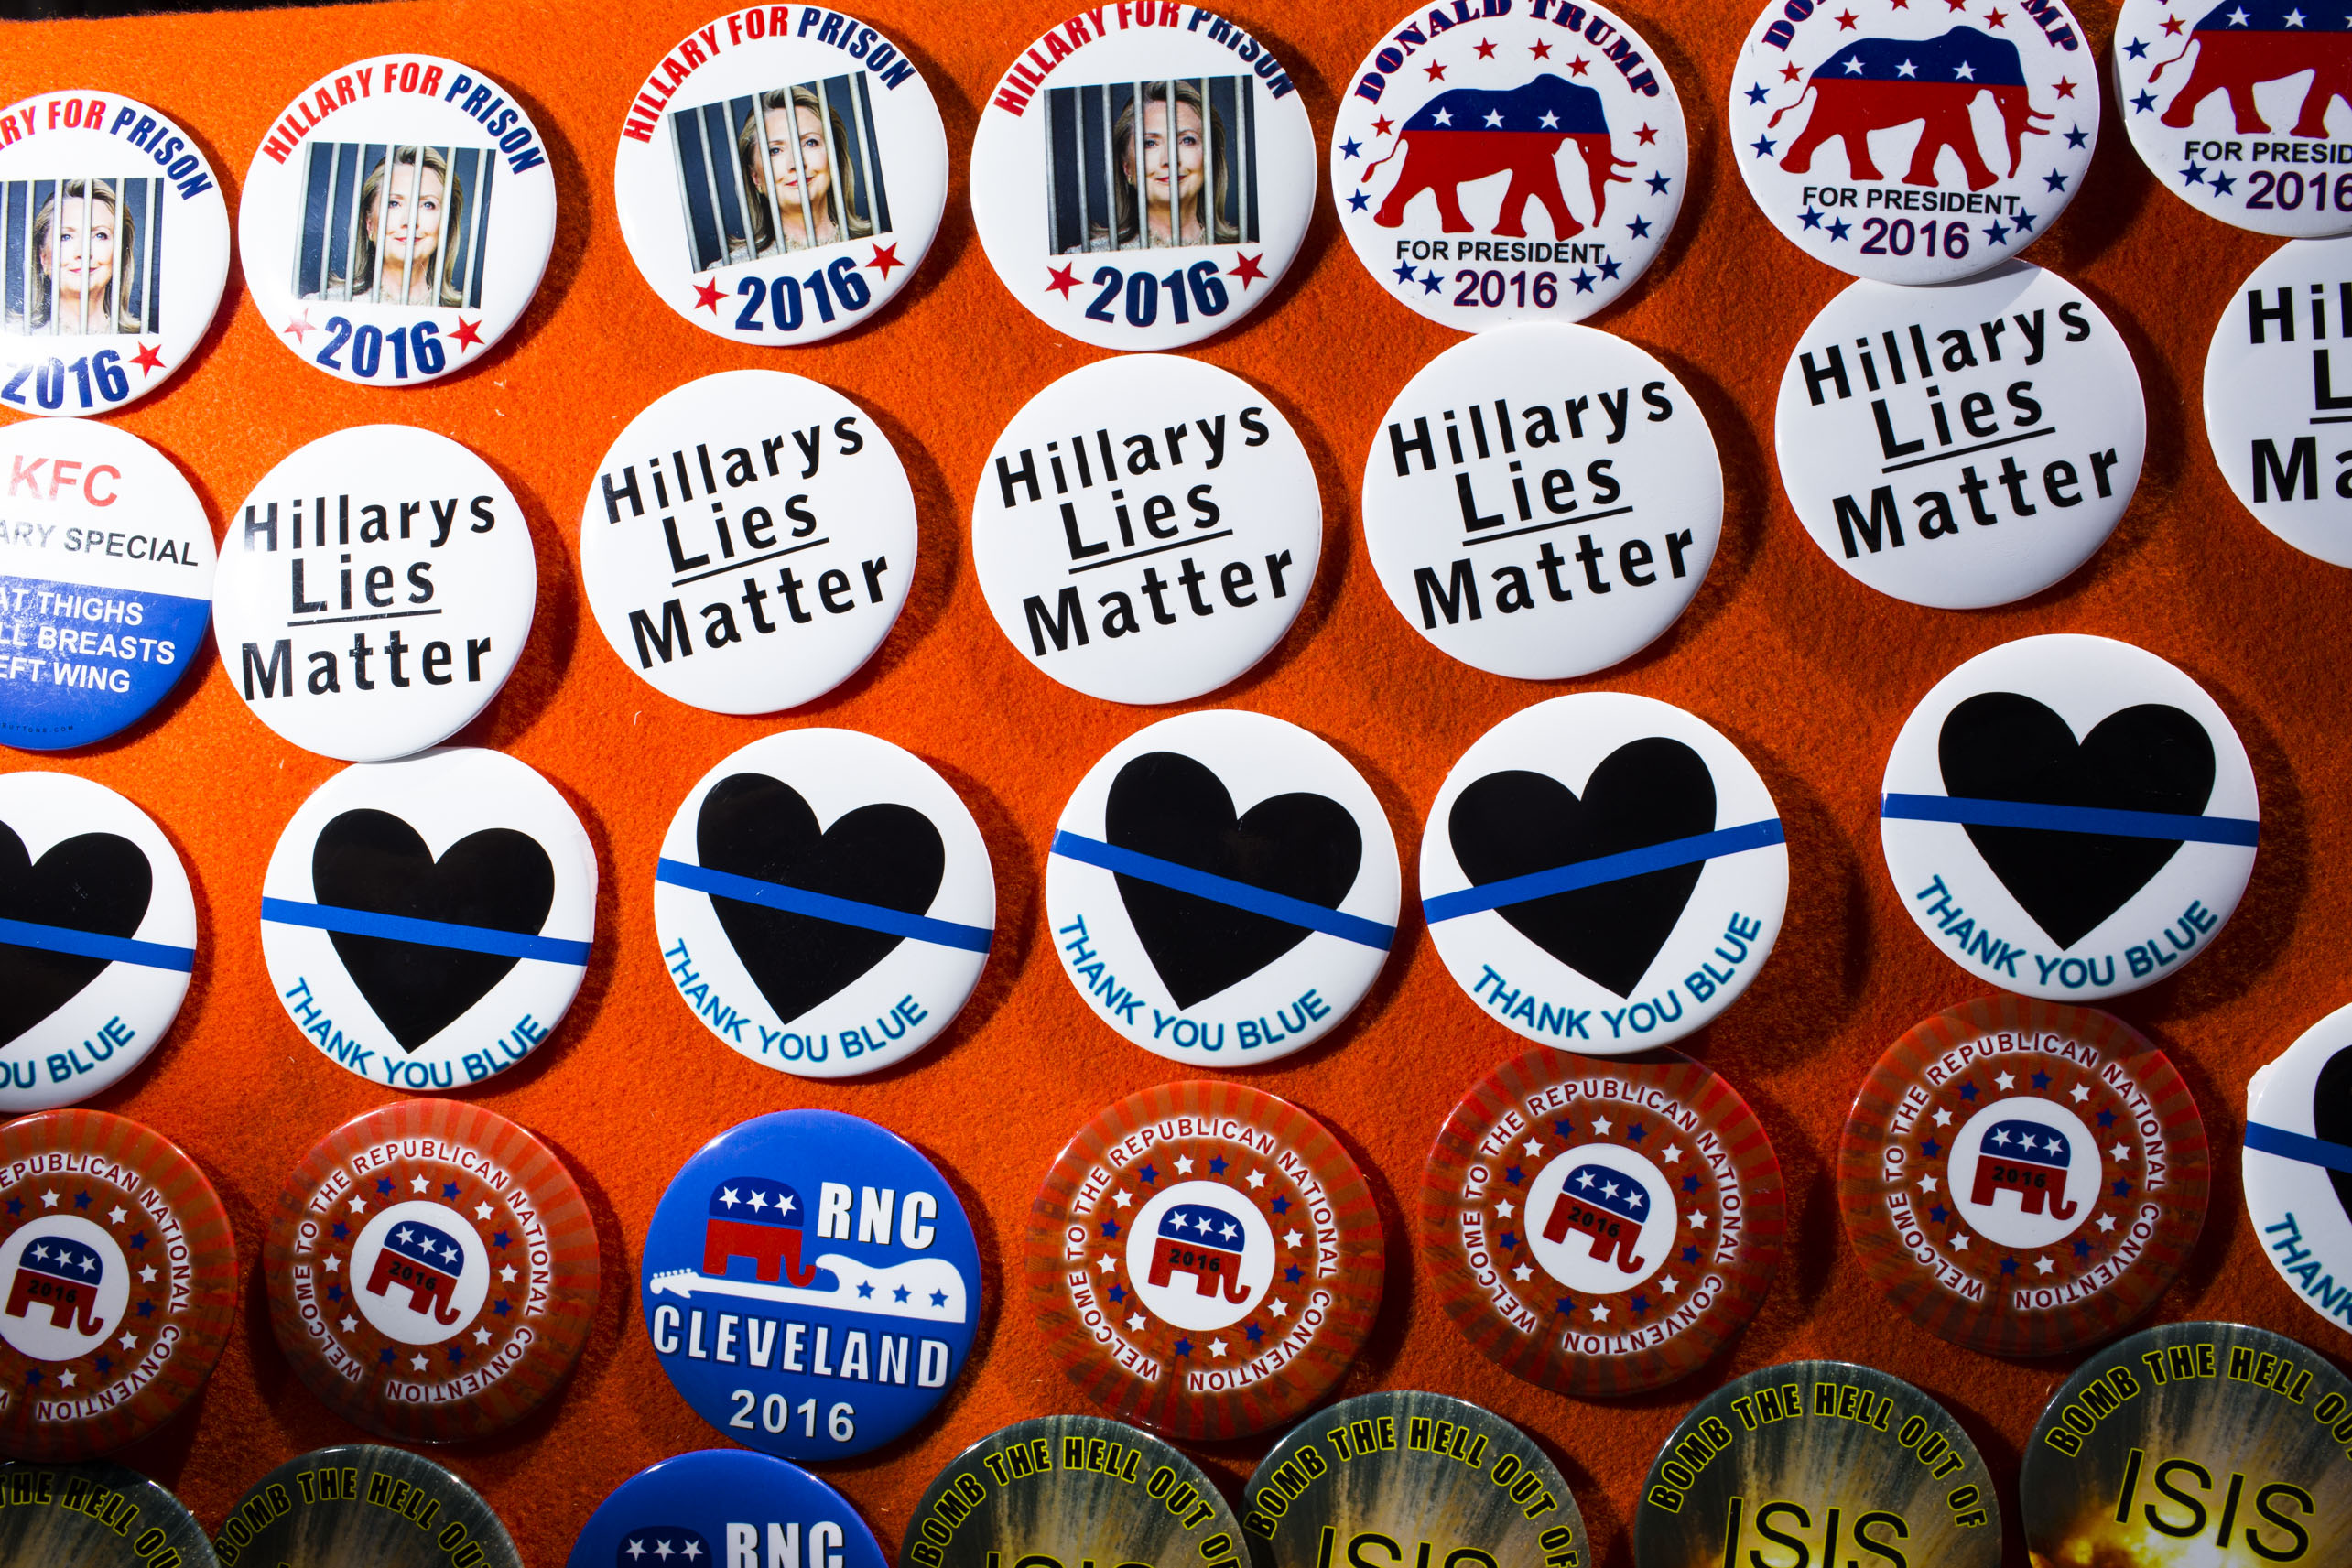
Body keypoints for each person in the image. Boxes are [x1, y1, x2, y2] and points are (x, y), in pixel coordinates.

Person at [1066, 80, 1241, 253]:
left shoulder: (1245, 253)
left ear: (1210, 159)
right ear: (1127, 168)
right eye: (1150, 143)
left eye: (1187, 140)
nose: (1170, 159)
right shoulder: (1086, 258)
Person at [309, 145, 467, 306]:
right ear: (369, 224)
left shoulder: (470, 319)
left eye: (428, 205)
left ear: (446, 225)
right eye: (394, 203)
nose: (410, 221)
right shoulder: (321, 305)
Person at [734, 85, 873, 255]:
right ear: (756, 178)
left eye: (810, 143)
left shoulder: (879, 246)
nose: (797, 163)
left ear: (834, 157)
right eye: (775, 150)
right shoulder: (730, 269)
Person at [16, 178, 143, 333]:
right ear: (43, 259)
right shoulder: (12, 336)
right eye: (66, 237)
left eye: (100, 235)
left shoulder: (147, 341)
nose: (83, 252)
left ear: (121, 255)